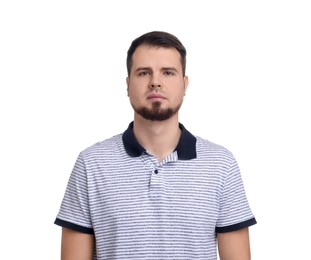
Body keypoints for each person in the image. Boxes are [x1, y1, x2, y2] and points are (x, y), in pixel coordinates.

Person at [54, 31, 257, 260]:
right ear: (128, 84)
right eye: (143, 73)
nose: (155, 82)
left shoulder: (221, 165)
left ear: (184, 84)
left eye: (168, 72)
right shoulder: (91, 164)